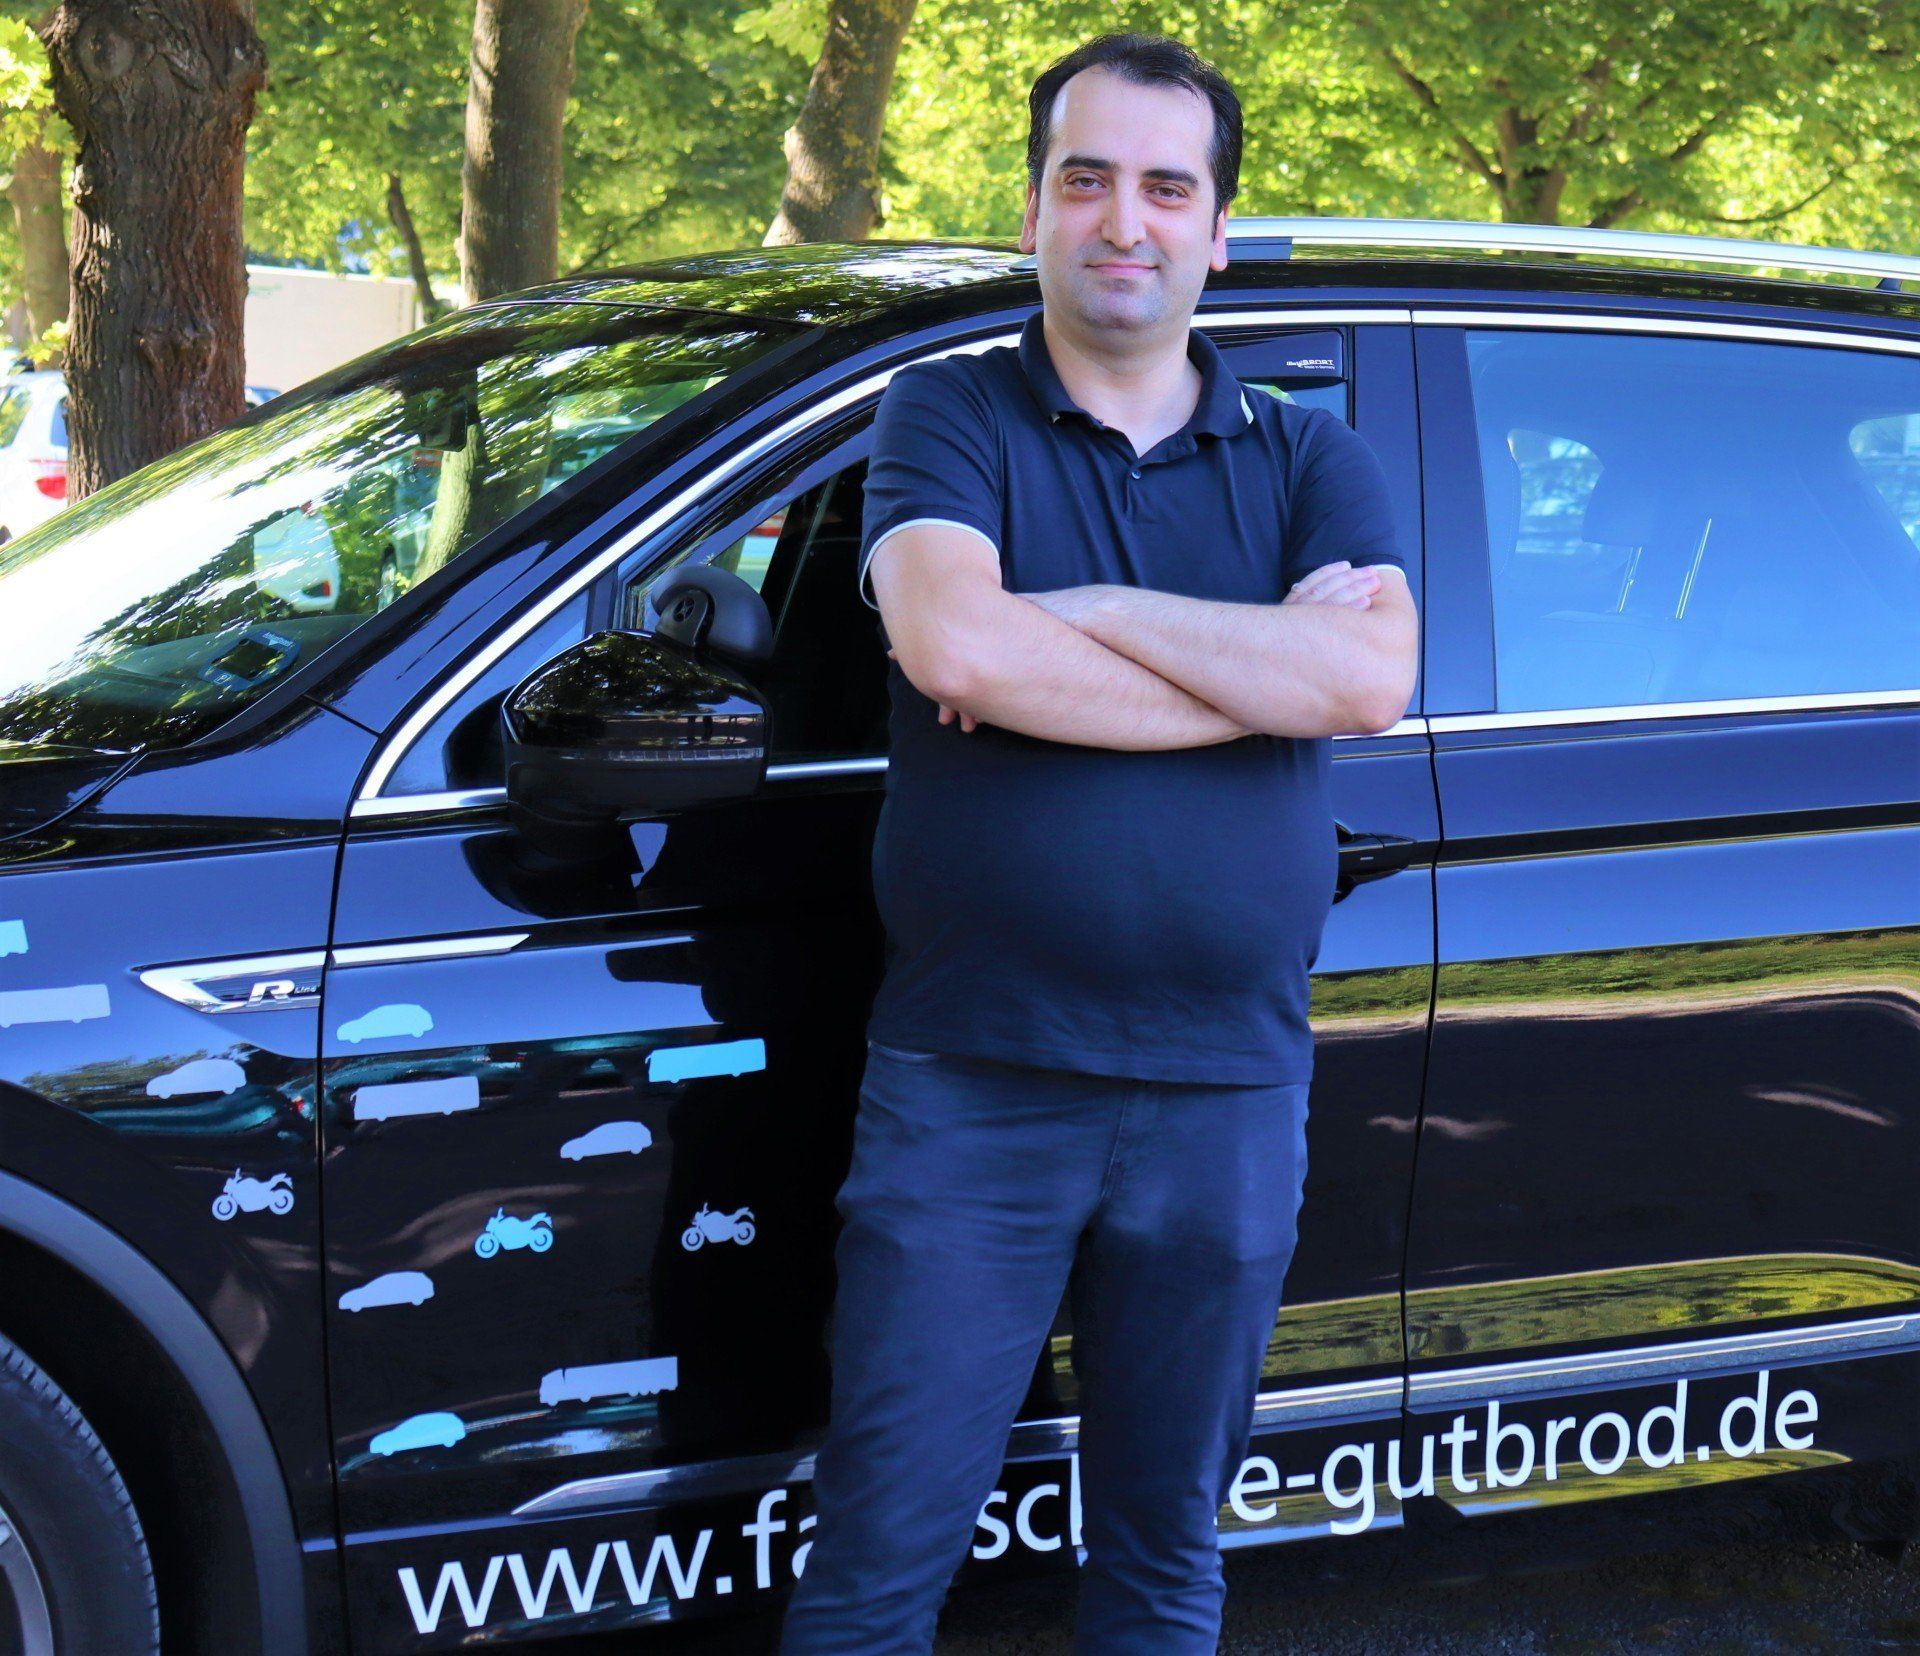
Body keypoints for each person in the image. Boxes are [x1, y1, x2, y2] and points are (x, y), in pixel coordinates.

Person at [778, 30, 1418, 1655]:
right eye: (1087, 180)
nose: (1123, 220)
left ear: (1216, 231)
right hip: (974, 1087)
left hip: (1226, 1096)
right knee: (875, 1569)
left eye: (1165, 187)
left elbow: (1364, 682)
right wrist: (1252, 669)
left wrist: (1094, 613)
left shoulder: (1311, 454)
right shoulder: (944, 413)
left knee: (1163, 1564)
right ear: (1034, 210)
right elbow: (960, 647)